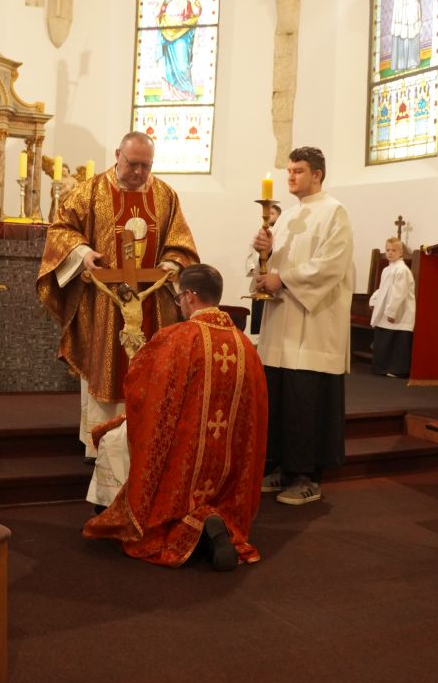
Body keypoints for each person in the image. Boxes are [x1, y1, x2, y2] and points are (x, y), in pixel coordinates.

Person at [83, 264, 268, 570]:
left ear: (191, 296)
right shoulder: (245, 345)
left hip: (184, 461)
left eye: (180, 297)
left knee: (115, 439)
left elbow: (145, 392)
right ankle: (213, 519)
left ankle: (143, 517)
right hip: (228, 469)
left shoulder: (178, 338)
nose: (180, 303)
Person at [36, 131, 198, 459]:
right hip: (104, 304)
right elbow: (61, 230)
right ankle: (101, 447)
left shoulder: (165, 195)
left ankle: (148, 444)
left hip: (151, 302)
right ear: (117, 155)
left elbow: (181, 243)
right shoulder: (89, 191)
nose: (139, 172)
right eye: (132, 163)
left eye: (146, 166)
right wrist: (83, 254)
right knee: (106, 367)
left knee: (151, 370)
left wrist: (170, 264)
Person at [253, 147, 353, 506]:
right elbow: (270, 269)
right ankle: (282, 467)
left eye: (298, 171)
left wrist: (283, 279)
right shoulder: (286, 218)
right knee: (282, 400)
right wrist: (262, 253)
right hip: (282, 325)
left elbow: (331, 266)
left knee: (306, 401)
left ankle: (307, 477)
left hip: (314, 327)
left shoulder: (334, 212)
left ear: (317, 175)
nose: (291, 176)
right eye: (289, 171)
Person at [83, 268, 173, 360]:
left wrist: (166, 276)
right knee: (132, 357)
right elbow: (104, 289)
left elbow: (155, 286)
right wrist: (92, 277)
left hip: (138, 333)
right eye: (124, 295)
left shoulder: (139, 297)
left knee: (143, 354)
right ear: (122, 296)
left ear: (130, 291)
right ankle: (132, 368)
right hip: (128, 333)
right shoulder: (121, 302)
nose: (127, 295)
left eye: (127, 293)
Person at [369, 237, 416, 377]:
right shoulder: (386, 269)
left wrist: (391, 312)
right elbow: (382, 288)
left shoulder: (402, 270)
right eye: (388, 250)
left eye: (394, 250)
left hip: (399, 311)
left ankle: (397, 370)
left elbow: (399, 293)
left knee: (397, 341)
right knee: (384, 340)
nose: (390, 253)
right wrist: (374, 300)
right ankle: (381, 368)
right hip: (385, 310)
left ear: (401, 252)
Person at [156, 0, 202, 100]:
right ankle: (169, 93)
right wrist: (160, 3)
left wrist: (193, 0)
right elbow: (156, 13)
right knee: (169, 68)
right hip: (168, 35)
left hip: (183, 34)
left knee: (183, 66)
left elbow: (197, 12)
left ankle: (186, 93)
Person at [245, 203, 281, 336]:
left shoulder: (281, 233)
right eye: (267, 213)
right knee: (259, 317)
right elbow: (252, 252)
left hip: (273, 279)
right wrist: (252, 267)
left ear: (279, 216)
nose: (269, 215)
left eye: (272, 213)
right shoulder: (259, 233)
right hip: (259, 277)